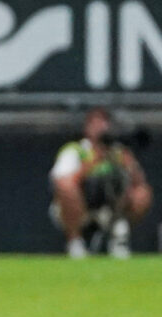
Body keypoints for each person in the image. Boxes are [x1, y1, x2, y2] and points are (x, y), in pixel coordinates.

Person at [49, 108, 152, 259]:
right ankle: (75, 242)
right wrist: (91, 164)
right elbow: (61, 182)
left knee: (142, 193)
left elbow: (139, 183)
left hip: (111, 207)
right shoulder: (75, 150)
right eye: (95, 122)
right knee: (66, 186)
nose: (100, 127)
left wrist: (129, 164)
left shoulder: (118, 152)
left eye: (104, 122)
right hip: (81, 207)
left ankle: (118, 238)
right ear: (87, 127)